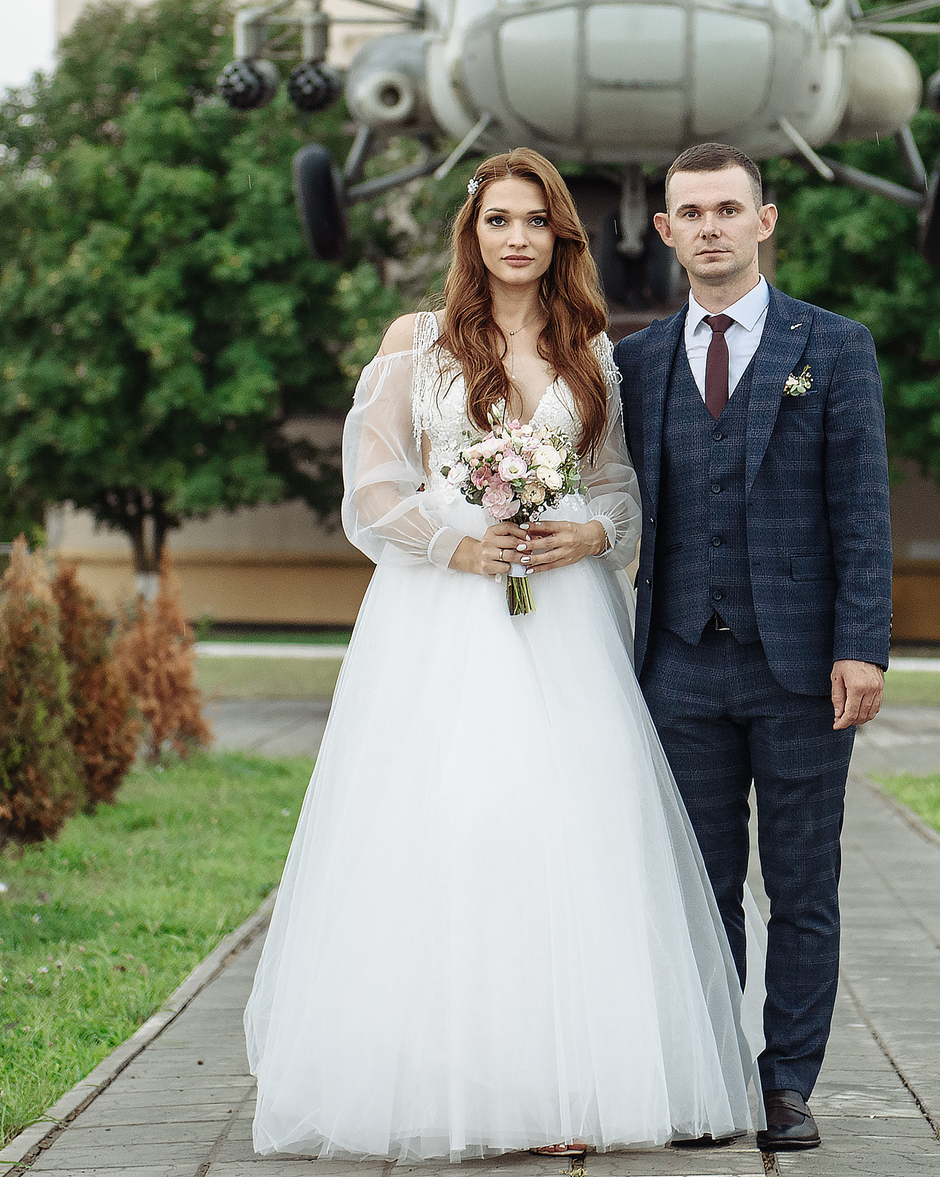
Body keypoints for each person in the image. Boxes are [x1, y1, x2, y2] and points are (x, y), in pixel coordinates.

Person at [244, 148, 759, 1162]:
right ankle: (447, 1075)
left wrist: (589, 535)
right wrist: (459, 540)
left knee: (574, 828)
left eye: (534, 221)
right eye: (497, 220)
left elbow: (616, 487)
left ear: (559, 236)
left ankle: (576, 1080)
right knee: (455, 819)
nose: (515, 237)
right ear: (471, 235)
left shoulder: (591, 351)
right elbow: (374, 486)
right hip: (441, 617)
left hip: (563, 616)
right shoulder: (418, 341)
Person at [615, 141, 893, 1155]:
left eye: (729, 207)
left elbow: (862, 512)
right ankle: (712, 1074)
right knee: (699, 886)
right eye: (691, 211)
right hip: (679, 662)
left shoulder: (836, 346)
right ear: (665, 231)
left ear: (764, 220)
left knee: (802, 883)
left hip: (804, 666)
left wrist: (862, 645)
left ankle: (786, 1086)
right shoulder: (636, 359)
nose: (711, 226)